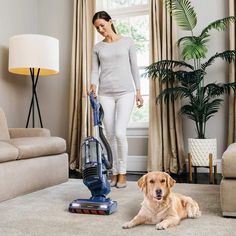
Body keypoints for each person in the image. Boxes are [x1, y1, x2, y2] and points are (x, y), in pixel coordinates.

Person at [90, 11, 143, 188]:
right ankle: (114, 172)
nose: (100, 29)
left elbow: (134, 68)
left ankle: (123, 173)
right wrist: (93, 85)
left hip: (125, 93)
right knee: (110, 135)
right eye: (97, 28)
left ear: (110, 22)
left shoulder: (127, 42)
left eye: (102, 25)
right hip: (105, 94)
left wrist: (138, 91)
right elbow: (95, 70)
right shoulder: (98, 48)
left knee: (120, 133)